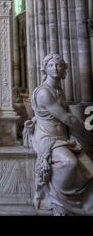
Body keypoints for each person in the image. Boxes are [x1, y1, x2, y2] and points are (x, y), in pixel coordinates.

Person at [24, 53, 93, 215]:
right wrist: (87, 126)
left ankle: (79, 201)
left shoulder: (58, 90)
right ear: (44, 69)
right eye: (50, 66)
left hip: (61, 136)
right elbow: (66, 117)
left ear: (64, 69)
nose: (55, 68)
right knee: (69, 163)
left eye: (58, 65)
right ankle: (56, 198)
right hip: (46, 137)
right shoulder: (43, 92)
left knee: (87, 164)